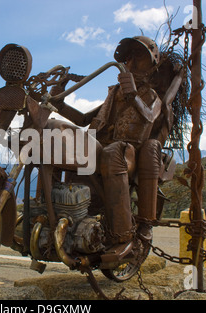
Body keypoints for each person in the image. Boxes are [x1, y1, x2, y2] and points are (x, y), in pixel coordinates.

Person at [51, 36, 167, 255]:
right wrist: (60, 104)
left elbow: (150, 117)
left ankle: (123, 236)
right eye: (128, 57)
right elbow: (84, 119)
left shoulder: (151, 96)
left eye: (139, 56)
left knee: (113, 152)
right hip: (99, 148)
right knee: (54, 139)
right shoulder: (113, 95)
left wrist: (133, 95)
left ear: (152, 64)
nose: (131, 63)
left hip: (128, 152)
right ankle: (52, 217)